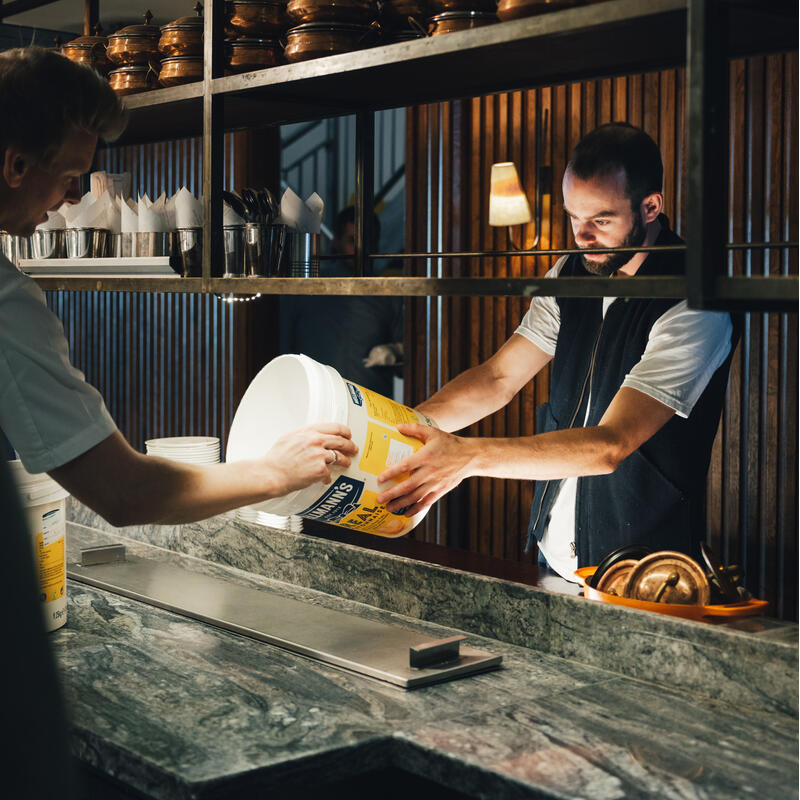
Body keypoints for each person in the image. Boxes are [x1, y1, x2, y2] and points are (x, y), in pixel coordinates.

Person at [0, 46, 358, 526]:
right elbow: (123, 491)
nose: (73, 198)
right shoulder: (7, 304)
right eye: (68, 177)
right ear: (16, 166)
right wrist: (276, 472)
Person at [376, 122, 735, 580]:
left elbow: (610, 445)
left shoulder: (693, 300)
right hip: (552, 555)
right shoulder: (570, 271)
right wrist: (395, 433)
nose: (582, 237)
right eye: (573, 217)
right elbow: (498, 378)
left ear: (650, 207)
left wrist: (466, 457)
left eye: (601, 220)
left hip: (643, 571)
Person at [280, 205, 403, 397]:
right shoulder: (307, 289)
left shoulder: (388, 293)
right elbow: (282, 347)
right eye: (352, 241)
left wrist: (396, 352)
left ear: (377, 244)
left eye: (368, 241)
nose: (361, 249)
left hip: (371, 404)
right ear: (336, 241)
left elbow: (408, 360)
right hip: (316, 399)